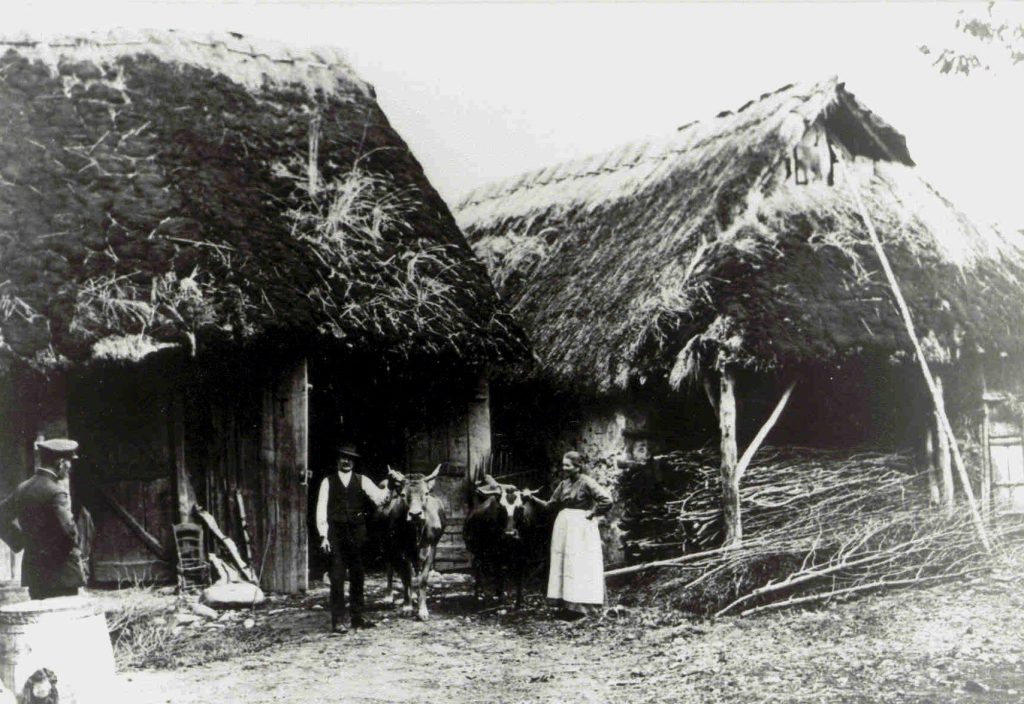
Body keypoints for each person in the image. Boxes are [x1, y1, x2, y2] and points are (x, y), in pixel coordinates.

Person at [526, 451, 613, 618]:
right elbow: (550, 505)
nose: (564, 468)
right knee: (563, 562)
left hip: (580, 527)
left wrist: (592, 512)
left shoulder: (587, 482)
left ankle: (583, 607)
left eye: (568, 465)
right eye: (563, 465)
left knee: (579, 562)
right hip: (563, 525)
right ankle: (566, 604)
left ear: (578, 466)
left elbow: (607, 500)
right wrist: (533, 498)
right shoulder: (563, 484)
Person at [314, 442, 389, 634]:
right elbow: (321, 510)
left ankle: (358, 617)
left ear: (354, 462)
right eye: (342, 457)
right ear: (337, 460)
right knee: (337, 576)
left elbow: (379, 498)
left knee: (358, 575)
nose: (346, 461)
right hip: (336, 534)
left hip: (358, 534)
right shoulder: (327, 482)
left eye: (350, 458)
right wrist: (324, 536)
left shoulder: (362, 480)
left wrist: (386, 488)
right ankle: (338, 620)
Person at [0, 438, 86, 600]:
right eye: (69, 463)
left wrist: (20, 541)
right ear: (60, 463)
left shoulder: (22, 488)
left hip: (35, 572)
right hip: (62, 574)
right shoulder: (56, 492)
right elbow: (69, 532)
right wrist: (75, 552)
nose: (69, 468)